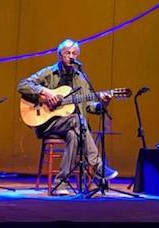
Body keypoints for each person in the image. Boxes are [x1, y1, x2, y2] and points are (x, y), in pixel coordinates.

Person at [17, 39, 118, 195]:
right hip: (48, 124)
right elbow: (23, 84)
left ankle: (60, 183)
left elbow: (91, 107)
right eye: (67, 53)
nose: (71, 56)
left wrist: (104, 104)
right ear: (59, 55)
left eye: (74, 53)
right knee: (77, 121)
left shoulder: (81, 78)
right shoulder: (49, 73)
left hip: (72, 126)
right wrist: (45, 92)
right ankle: (98, 165)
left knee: (74, 134)